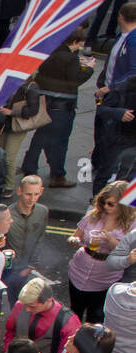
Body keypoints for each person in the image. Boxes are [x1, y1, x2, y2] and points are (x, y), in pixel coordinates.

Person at [24, 29, 93, 188]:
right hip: (62, 107)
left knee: (40, 137)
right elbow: (74, 80)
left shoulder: (51, 53)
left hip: (45, 102)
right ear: (75, 42)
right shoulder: (70, 58)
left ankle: (30, 167)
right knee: (60, 142)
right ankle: (58, 175)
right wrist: (89, 69)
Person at [67, 182, 136, 325]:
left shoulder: (131, 224)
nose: (105, 206)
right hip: (78, 271)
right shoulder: (93, 214)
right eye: (104, 202)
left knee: (96, 319)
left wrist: (110, 240)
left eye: (111, 204)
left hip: (105, 278)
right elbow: (76, 235)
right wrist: (74, 239)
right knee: (74, 315)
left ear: (123, 204)